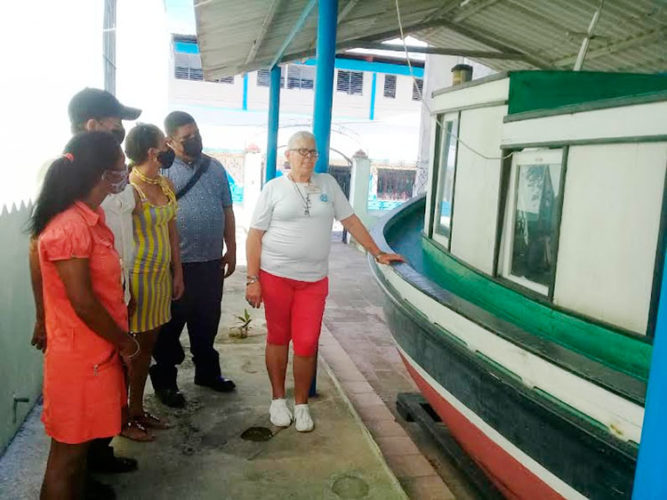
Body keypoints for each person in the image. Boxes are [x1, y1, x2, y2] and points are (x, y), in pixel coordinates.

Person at [245, 131, 404, 432]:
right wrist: (253, 278)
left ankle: (302, 403)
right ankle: (278, 399)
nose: (307, 157)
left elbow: (350, 221)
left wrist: (377, 251)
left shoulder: (328, 185)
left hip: (313, 280)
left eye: (312, 152)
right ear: (287, 156)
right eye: (301, 151)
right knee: (278, 338)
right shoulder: (274, 188)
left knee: (306, 342)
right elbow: (255, 235)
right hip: (276, 275)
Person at [28, 88, 141, 489]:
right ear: (101, 174)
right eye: (120, 166)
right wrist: (126, 342)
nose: (126, 172)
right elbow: (82, 301)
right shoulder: (71, 227)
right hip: (80, 357)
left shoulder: (89, 219)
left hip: (95, 352)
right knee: (68, 459)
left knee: (78, 457)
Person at [150, 111, 237, 408]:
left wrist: (232, 248)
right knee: (170, 327)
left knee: (207, 321)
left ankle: (208, 373)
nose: (194, 140)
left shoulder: (214, 168)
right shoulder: (162, 173)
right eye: (187, 137)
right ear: (170, 141)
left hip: (211, 262)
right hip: (176, 266)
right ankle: (165, 383)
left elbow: (227, 209)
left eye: (196, 133)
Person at [121, 124, 183, 441]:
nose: (168, 147)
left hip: (161, 277)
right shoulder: (130, 188)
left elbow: (172, 230)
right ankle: (126, 414)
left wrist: (178, 271)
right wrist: (124, 288)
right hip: (139, 280)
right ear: (152, 151)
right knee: (133, 350)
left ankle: (137, 410)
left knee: (147, 348)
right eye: (164, 143)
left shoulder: (164, 183)